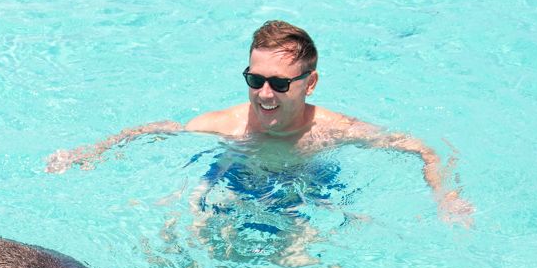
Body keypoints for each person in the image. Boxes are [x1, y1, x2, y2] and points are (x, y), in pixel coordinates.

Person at [46, 20, 473, 229]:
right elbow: (158, 129)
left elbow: (423, 148)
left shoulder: (333, 130)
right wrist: (89, 153)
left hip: (313, 184)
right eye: (255, 80)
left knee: (312, 261)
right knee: (181, 228)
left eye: (280, 83)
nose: (265, 94)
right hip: (239, 180)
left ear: (311, 83)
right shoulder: (229, 125)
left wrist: (446, 198)